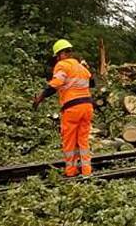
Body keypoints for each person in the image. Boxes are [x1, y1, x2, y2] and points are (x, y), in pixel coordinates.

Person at [33, 39, 95, 178]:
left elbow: (56, 84)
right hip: (87, 107)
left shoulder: (62, 65)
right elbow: (92, 83)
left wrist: (40, 98)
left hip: (72, 108)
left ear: (60, 54)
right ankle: (86, 172)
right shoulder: (81, 67)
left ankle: (71, 171)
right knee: (83, 140)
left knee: (69, 141)